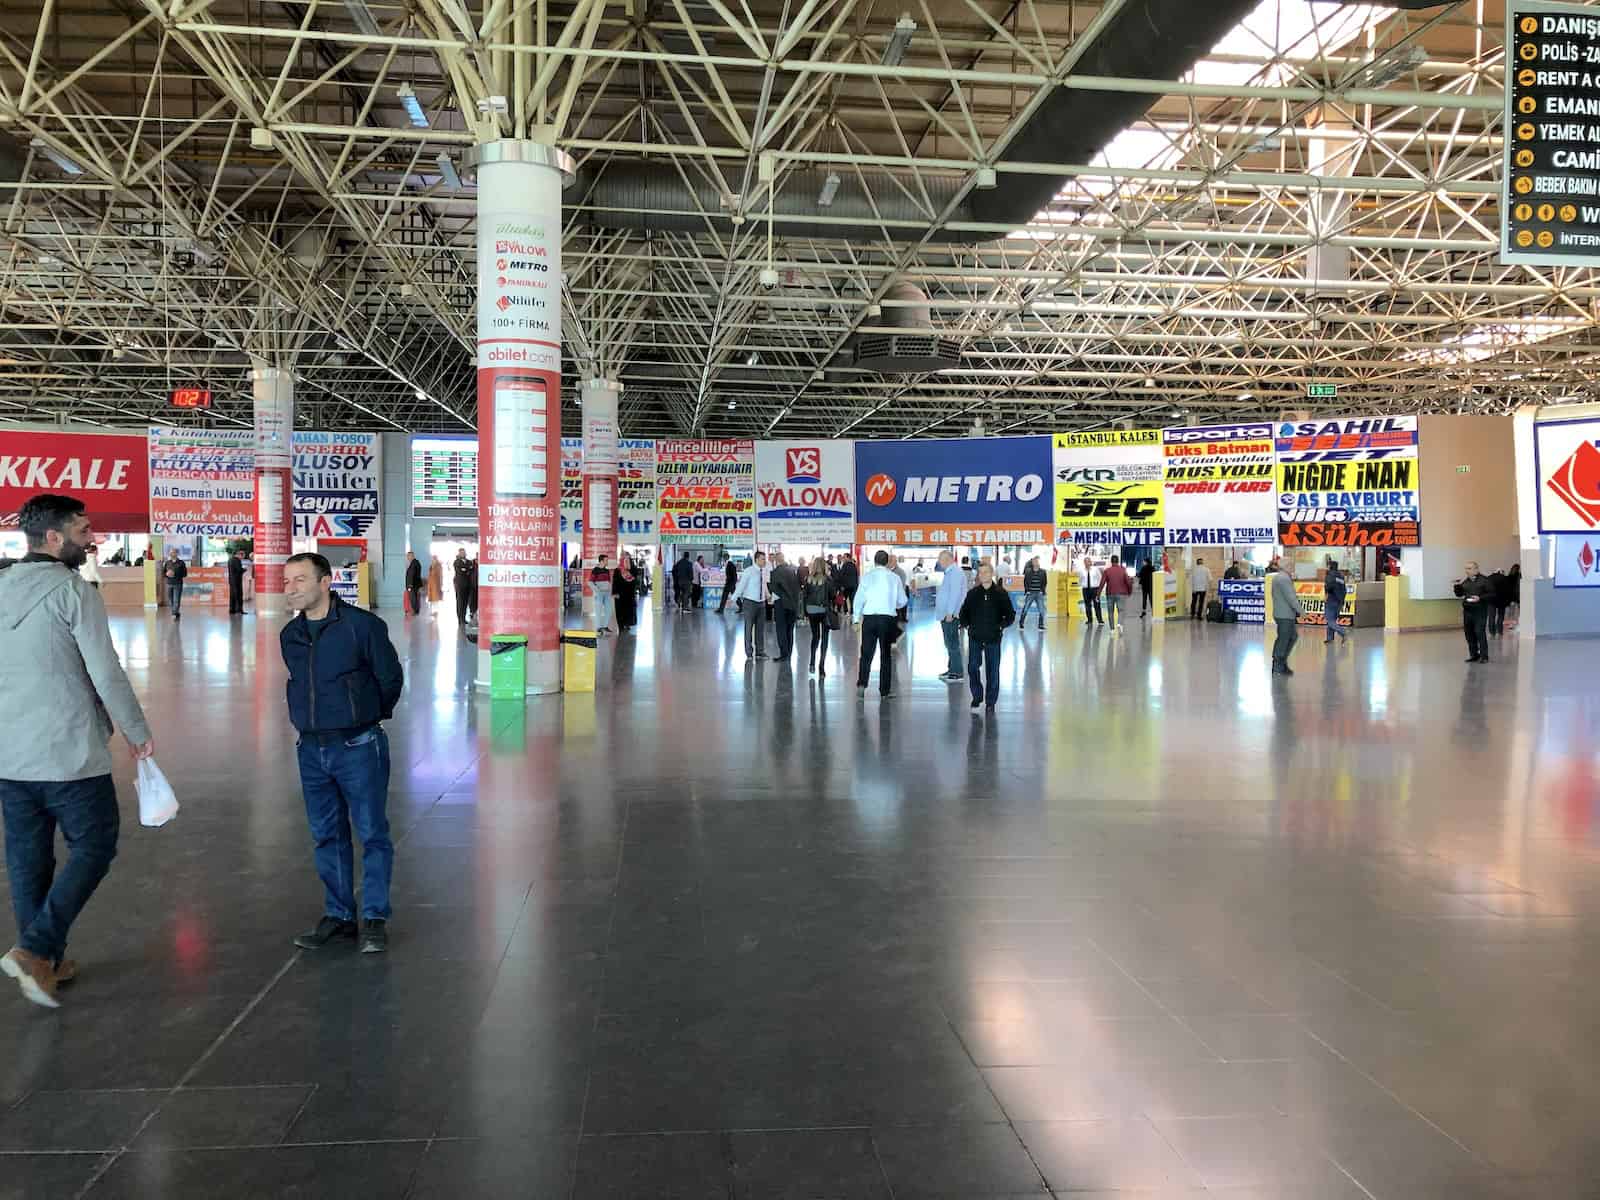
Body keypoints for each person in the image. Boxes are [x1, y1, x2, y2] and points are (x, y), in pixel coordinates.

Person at [0, 494, 154, 1009]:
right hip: (67, 751)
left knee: (27, 858)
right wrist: (135, 729)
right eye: (84, 530)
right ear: (54, 538)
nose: (93, 539)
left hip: (10, 754)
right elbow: (104, 671)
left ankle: (47, 960)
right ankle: (37, 948)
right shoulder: (74, 592)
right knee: (95, 844)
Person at [281, 552, 405, 955]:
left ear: (325, 582)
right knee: (326, 835)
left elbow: (390, 678)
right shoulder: (291, 636)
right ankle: (339, 916)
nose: (292, 588)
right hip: (311, 748)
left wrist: (365, 717)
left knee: (372, 833)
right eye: (287, 581)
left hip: (359, 745)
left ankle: (373, 918)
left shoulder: (362, 627)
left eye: (300, 580)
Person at [959, 561, 1016, 713]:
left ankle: (991, 701)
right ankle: (977, 698)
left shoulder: (1000, 593)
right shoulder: (973, 593)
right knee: (972, 667)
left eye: (986, 572)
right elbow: (963, 613)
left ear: (992, 574)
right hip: (975, 637)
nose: (983, 575)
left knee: (993, 670)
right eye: (980, 572)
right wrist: (967, 625)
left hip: (993, 638)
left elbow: (1010, 615)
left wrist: (1000, 626)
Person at [853, 550, 908, 699]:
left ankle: (862, 684)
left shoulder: (866, 577)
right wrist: (893, 603)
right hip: (887, 620)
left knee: (866, 653)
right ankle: (884, 691)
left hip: (869, 619)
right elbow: (903, 601)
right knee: (886, 655)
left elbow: (858, 599)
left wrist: (856, 620)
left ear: (875, 561)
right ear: (887, 562)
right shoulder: (894, 578)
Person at [933, 548, 970, 683]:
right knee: (949, 643)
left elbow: (955, 594)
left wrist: (950, 612)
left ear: (948, 560)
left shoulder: (955, 573)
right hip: (946, 614)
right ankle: (951, 669)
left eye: (940, 559)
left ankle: (957, 673)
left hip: (950, 615)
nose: (939, 562)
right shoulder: (950, 572)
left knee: (952, 643)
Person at [1454, 561, 1493, 664]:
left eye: (1470, 568)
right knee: (1469, 634)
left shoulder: (1485, 580)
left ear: (1476, 569)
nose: (1467, 570)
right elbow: (1459, 594)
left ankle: (1484, 656)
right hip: (1467, 611)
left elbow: (1492, 594)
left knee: (1479, 632)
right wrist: (1457, 586)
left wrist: (1480, 598)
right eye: (1466, 568)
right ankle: (1474, 655)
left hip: (1480, 611)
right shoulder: (1465, 582)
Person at [733, 551, 769, 659]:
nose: (764, 561)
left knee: (760, 629)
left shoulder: (764, 571)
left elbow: (764, 585)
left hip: (761, 603)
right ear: (757, 559)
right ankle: (749, 652)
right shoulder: (749, 571)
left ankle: (760, 652)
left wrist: (768, 595)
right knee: (748, 628)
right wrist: (733, 598)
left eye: (764, 559)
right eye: (763, 559)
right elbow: (741, 586)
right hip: (750, 603)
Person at [802, 557, 835, 676]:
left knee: (815, 637)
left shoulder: (808, 579)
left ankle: (811, 663)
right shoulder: (828, 579)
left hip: (811, 611)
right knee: (825, 638)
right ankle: (821, 666)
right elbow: (833, 595)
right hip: (824, 610)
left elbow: (804, 596)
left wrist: (805, 613)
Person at [768, 551, 802, 661]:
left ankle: (784, 653)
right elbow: (797, 587)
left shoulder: (775, 572)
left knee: (781, 629)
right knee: (789, 630)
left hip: (781, 604)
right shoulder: (793, 571)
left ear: (776, 560)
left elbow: (773, 588)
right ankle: (789, 653)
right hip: (792, 604)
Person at [1270, 564, 1303, 675]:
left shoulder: (1280, 577)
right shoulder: (1284, 579)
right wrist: (1302, 612)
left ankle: (1282, 663)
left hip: (1282, 613)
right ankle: (1278, 666)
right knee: (1284, 639)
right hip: (1285, 615)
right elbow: (1291, 598)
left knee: (1292, 636)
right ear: (1286, 567)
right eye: (1291, 566)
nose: (1293, 568)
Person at [1101, 554, 1133, 634]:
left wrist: (1098, 594)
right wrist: (1130, 591)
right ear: (1118, 561)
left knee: (1110, 612)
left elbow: (1102, 583)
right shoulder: (1123, 570)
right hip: (1122, 593)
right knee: (1121, 610)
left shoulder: (1107, 571)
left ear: (1111, 561)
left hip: (1110, 593)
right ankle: (1119, 623)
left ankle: (1112, 629)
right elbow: (1128, 582)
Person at [1323, 557, 1350, 645]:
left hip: (1331, 600)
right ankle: (1330, 638)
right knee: (1333, 620)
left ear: (1330, 567)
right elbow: (1344, 590)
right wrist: (1342, 601)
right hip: (1339, 602)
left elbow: (1328, 587)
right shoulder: (1341, 576)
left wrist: (1326, 594)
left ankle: (1343, 632)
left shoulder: (1330, 575)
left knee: (1329, 620)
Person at [612, 554, 639, 633]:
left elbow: (635, 580)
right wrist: (615, 593)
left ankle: (627, 624)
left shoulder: (633, 569)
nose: (627, 562)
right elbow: (615, 582)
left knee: (629, 610)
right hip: (620, 595)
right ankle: (620, 625)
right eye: (625, 560)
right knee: (620, 610)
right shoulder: (618, 570)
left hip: (629, 594)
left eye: (628, 560)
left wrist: (630, 570)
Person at [1019, 556, 1048, 630]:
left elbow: (1045, 582)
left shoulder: (1043, 571)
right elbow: (1025, 582)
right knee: (1025, 608)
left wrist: (1042, 591)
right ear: (1032, 563)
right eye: (1034, 561)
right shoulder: (1028, 571)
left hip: (1039, 593)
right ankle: (1021, 622)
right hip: (1030, 593)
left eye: (1037, 561)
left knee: (1042, 610)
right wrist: (1027, 590)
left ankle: (1041, 625)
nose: (1036, 563)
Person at [161, 547, 188, 620]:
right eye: (171, 552)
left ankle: (173, 613)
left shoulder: (181, 563)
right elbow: (163, 573)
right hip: (169, 583)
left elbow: (185, 574)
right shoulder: (167, 563)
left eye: (173, 552)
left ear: (176, 553)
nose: (171, 553)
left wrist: (175, 574)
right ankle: (176, 612)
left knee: (176, 599)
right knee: (171, 600)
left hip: (178, 584)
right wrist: (167, 574)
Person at [590, 555, 614, 635]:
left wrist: (610, 591)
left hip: (607, 593)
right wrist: (597, 590)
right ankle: (598, 628)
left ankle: (605, 626)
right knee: (598, 611)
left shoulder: (607, 571)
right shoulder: (595, 570)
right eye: (606, 560)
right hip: (599, 594)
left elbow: (609, 582)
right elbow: (590, 582)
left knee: (609, 610)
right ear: (601, 561)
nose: (607, 562)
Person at [1076, 556, 1103, 625]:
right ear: (1084, 563)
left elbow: (1100, 579)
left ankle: (1100, 620)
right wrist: (1082, 585)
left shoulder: (1095, 569)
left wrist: (1099, 589)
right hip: (1085, 590)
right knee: (1087, 605)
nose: (1087, 563)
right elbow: (1080, 580)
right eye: (1085, 562)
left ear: (1091, 562)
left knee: (1097, 604)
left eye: (1088, 561)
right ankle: (1089, 620)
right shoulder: (1081, 571)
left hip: (1095, 589)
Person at [1487, 566, 1511, 637]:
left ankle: (1492, 632)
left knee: (1491, 616)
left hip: (1491, 600)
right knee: (1500, 616)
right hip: (1502, 600)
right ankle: (1499, 631)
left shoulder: (1489, 578)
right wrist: (1509, 601)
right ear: (1501, 572)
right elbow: (1508, 590)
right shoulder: (1505, 578)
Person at [451, 549, 472, 623]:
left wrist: (465, 569)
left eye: (464, 552)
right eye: (461, 553)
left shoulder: (469, 561)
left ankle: (463, 617)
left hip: (468, 585)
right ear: (459, 554)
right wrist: (467, 569)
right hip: (459, 585)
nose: (463, 554)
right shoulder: (456, 562)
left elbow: (470, 570)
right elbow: (460, 571)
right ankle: (460, 618)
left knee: (466, 602)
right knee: (460, 601)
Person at [1189, 557, 1212, 622]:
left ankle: (1192, 615)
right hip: (1203, 589)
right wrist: (1209, 587)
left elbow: (1190, 579)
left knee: (1194, 602)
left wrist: (1192, 588)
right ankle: (1199, 616)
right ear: (1202, 562)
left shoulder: (1193, 569)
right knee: (1201, 602)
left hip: (1195, 589)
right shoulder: (1206, 569)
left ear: (1197, 563)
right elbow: (1210, 579)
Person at [227, 548, 245, 614]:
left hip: (231, 581)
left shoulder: (230, 560)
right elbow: (239, 570)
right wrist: (244, 570)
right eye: (242, 556)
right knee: (239, 595)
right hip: (237, 581)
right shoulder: (237, 560)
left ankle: (232, 610)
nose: (242, 558)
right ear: (239, 555)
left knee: (232, 596)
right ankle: (239, 610)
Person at [404, 550, 422, 616]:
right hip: (415, 584)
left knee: (413, 598)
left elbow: (411, 575)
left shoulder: (414, 563)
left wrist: (410, 585)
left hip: (412, 585)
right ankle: (416, 610)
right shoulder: (416, 562)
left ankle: (415, 610)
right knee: (415, 598)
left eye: (408, 556)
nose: (407, 558)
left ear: (411, 556)